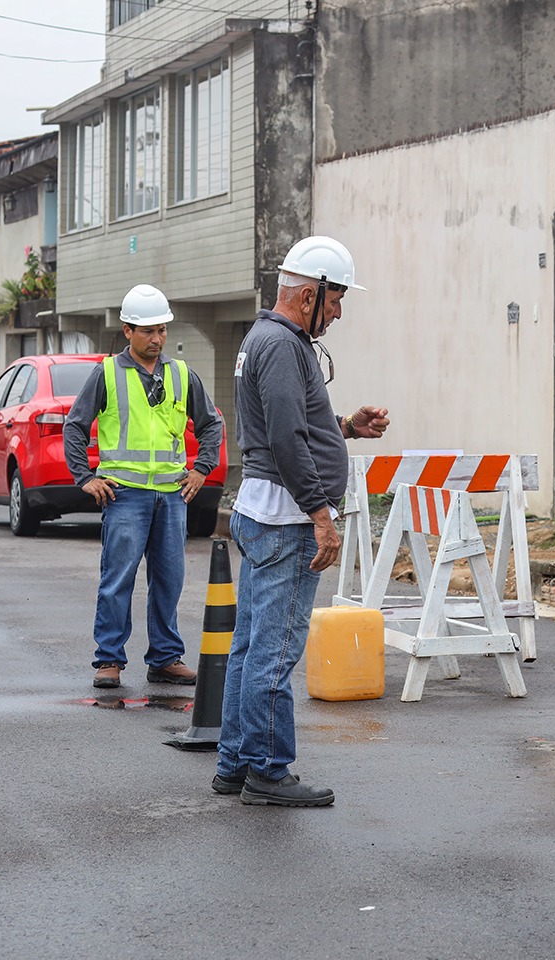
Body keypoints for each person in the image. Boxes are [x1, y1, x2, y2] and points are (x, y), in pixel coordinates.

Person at [215, 236, 390, 808]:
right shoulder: (283, 346)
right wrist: (321, 514)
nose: (338, 313)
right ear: (310, 293)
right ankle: (268, 770)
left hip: (260, 508)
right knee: (276, 648)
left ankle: (236, 761)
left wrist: (344, 425)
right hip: (285, 518)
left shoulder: (264, 339)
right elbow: (288, 439)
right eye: (336, 300)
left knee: (248, 645)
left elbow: (289, 425)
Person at [63, 283, 224, 690]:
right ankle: (109, 660)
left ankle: (166, 658)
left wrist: (201, 469)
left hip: (171, 496)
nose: (157, 338)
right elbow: (75, 426)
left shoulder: (181, 374)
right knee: (118, 579)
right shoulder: (107, 373)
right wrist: (86, 478)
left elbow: (212, 424)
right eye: (148, 331)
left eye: (162, 330)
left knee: (168, 579)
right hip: (125, 496)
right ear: (127, 331)